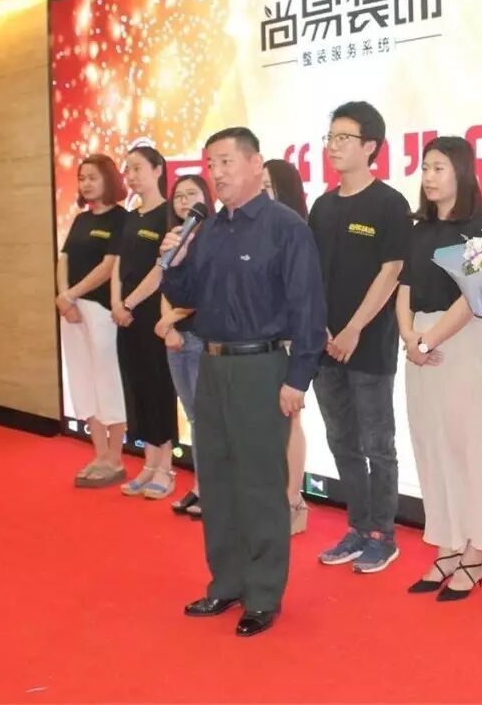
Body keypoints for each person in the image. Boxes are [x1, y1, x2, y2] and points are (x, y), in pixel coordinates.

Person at [160, 126, 326, 638]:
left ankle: (263, 594)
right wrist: (175, 262)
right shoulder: (207, 230)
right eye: (211, 164)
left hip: (262, 367)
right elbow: (187, 297)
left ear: (256, 165)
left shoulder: (285, 228)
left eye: (227, 162)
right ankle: (226, 582)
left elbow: (308, 308)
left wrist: (298, 378)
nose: (217, 173)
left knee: (258, 484)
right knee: (216, 479)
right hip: (212, 366)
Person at [394, 136, 482, 600]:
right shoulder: (417, 229)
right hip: (418, 343)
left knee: (466, 448)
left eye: (439, 167)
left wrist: (428, 339)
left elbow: (473, 298)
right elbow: (404, 289)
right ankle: (447, 546)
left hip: (458, 340)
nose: (429, 176)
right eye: (425, 167)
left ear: (462, 171)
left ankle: (474, 553)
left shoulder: (479, 228)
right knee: (431, 447)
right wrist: (409, 337)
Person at [309, 101, 412, 574]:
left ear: (370, 146)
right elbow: (312, 272)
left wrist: (353, 328)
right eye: (330, 137)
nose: (333, 146)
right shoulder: (322, 206)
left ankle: (383, 535)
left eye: (343, 138)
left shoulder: (389, 204)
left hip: (368, 345)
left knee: (378, 445)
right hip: (324, 346)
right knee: (341, 441)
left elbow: (392, 271)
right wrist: (321, 326)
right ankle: (357, 526)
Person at [111, 145, 179, 500]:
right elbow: (118, 265)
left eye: (138, 168)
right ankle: (149, 465)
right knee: (136, 387)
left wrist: (130, 302)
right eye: (128, 170)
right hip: (126, 317)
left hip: (154, 315)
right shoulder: (130, 217)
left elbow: (160, 269)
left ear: (157, 170)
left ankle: (166, 468)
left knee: (158, 389)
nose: (132, 176)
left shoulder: (169, 215)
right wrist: (116, 303)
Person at [57, 154, 129, 487]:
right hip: (72, 312)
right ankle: (99, 454)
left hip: (100, 311)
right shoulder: (81, 219)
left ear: (109, 180)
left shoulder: (121, 219)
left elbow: (108, 266)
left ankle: (115, 457)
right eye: (82, 178)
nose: (86, 184)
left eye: (93, 178)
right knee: (82, 379)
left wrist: (71, 295)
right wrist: (64, 299)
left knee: (107, 380)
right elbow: (64, 259)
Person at [157, 174, 212, 519]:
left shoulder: (211, 237)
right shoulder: (174, 237)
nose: (183, 201)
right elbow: (166, 282)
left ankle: (212, 490)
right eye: (178, 196)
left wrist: (170, 320)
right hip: (175, 336)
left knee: (207, 419)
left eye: (191, 194)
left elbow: (204, 292)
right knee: (193, 418)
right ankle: (200, 486)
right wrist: (168, 326)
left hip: (200, 337)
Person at [264, 158, 311, 535]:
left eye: (268, 187)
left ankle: (293, 500)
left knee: (290, 418)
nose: (261, 193)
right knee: (266, 422)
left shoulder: (297, 230)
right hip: (258, 343)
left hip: (291, 339)